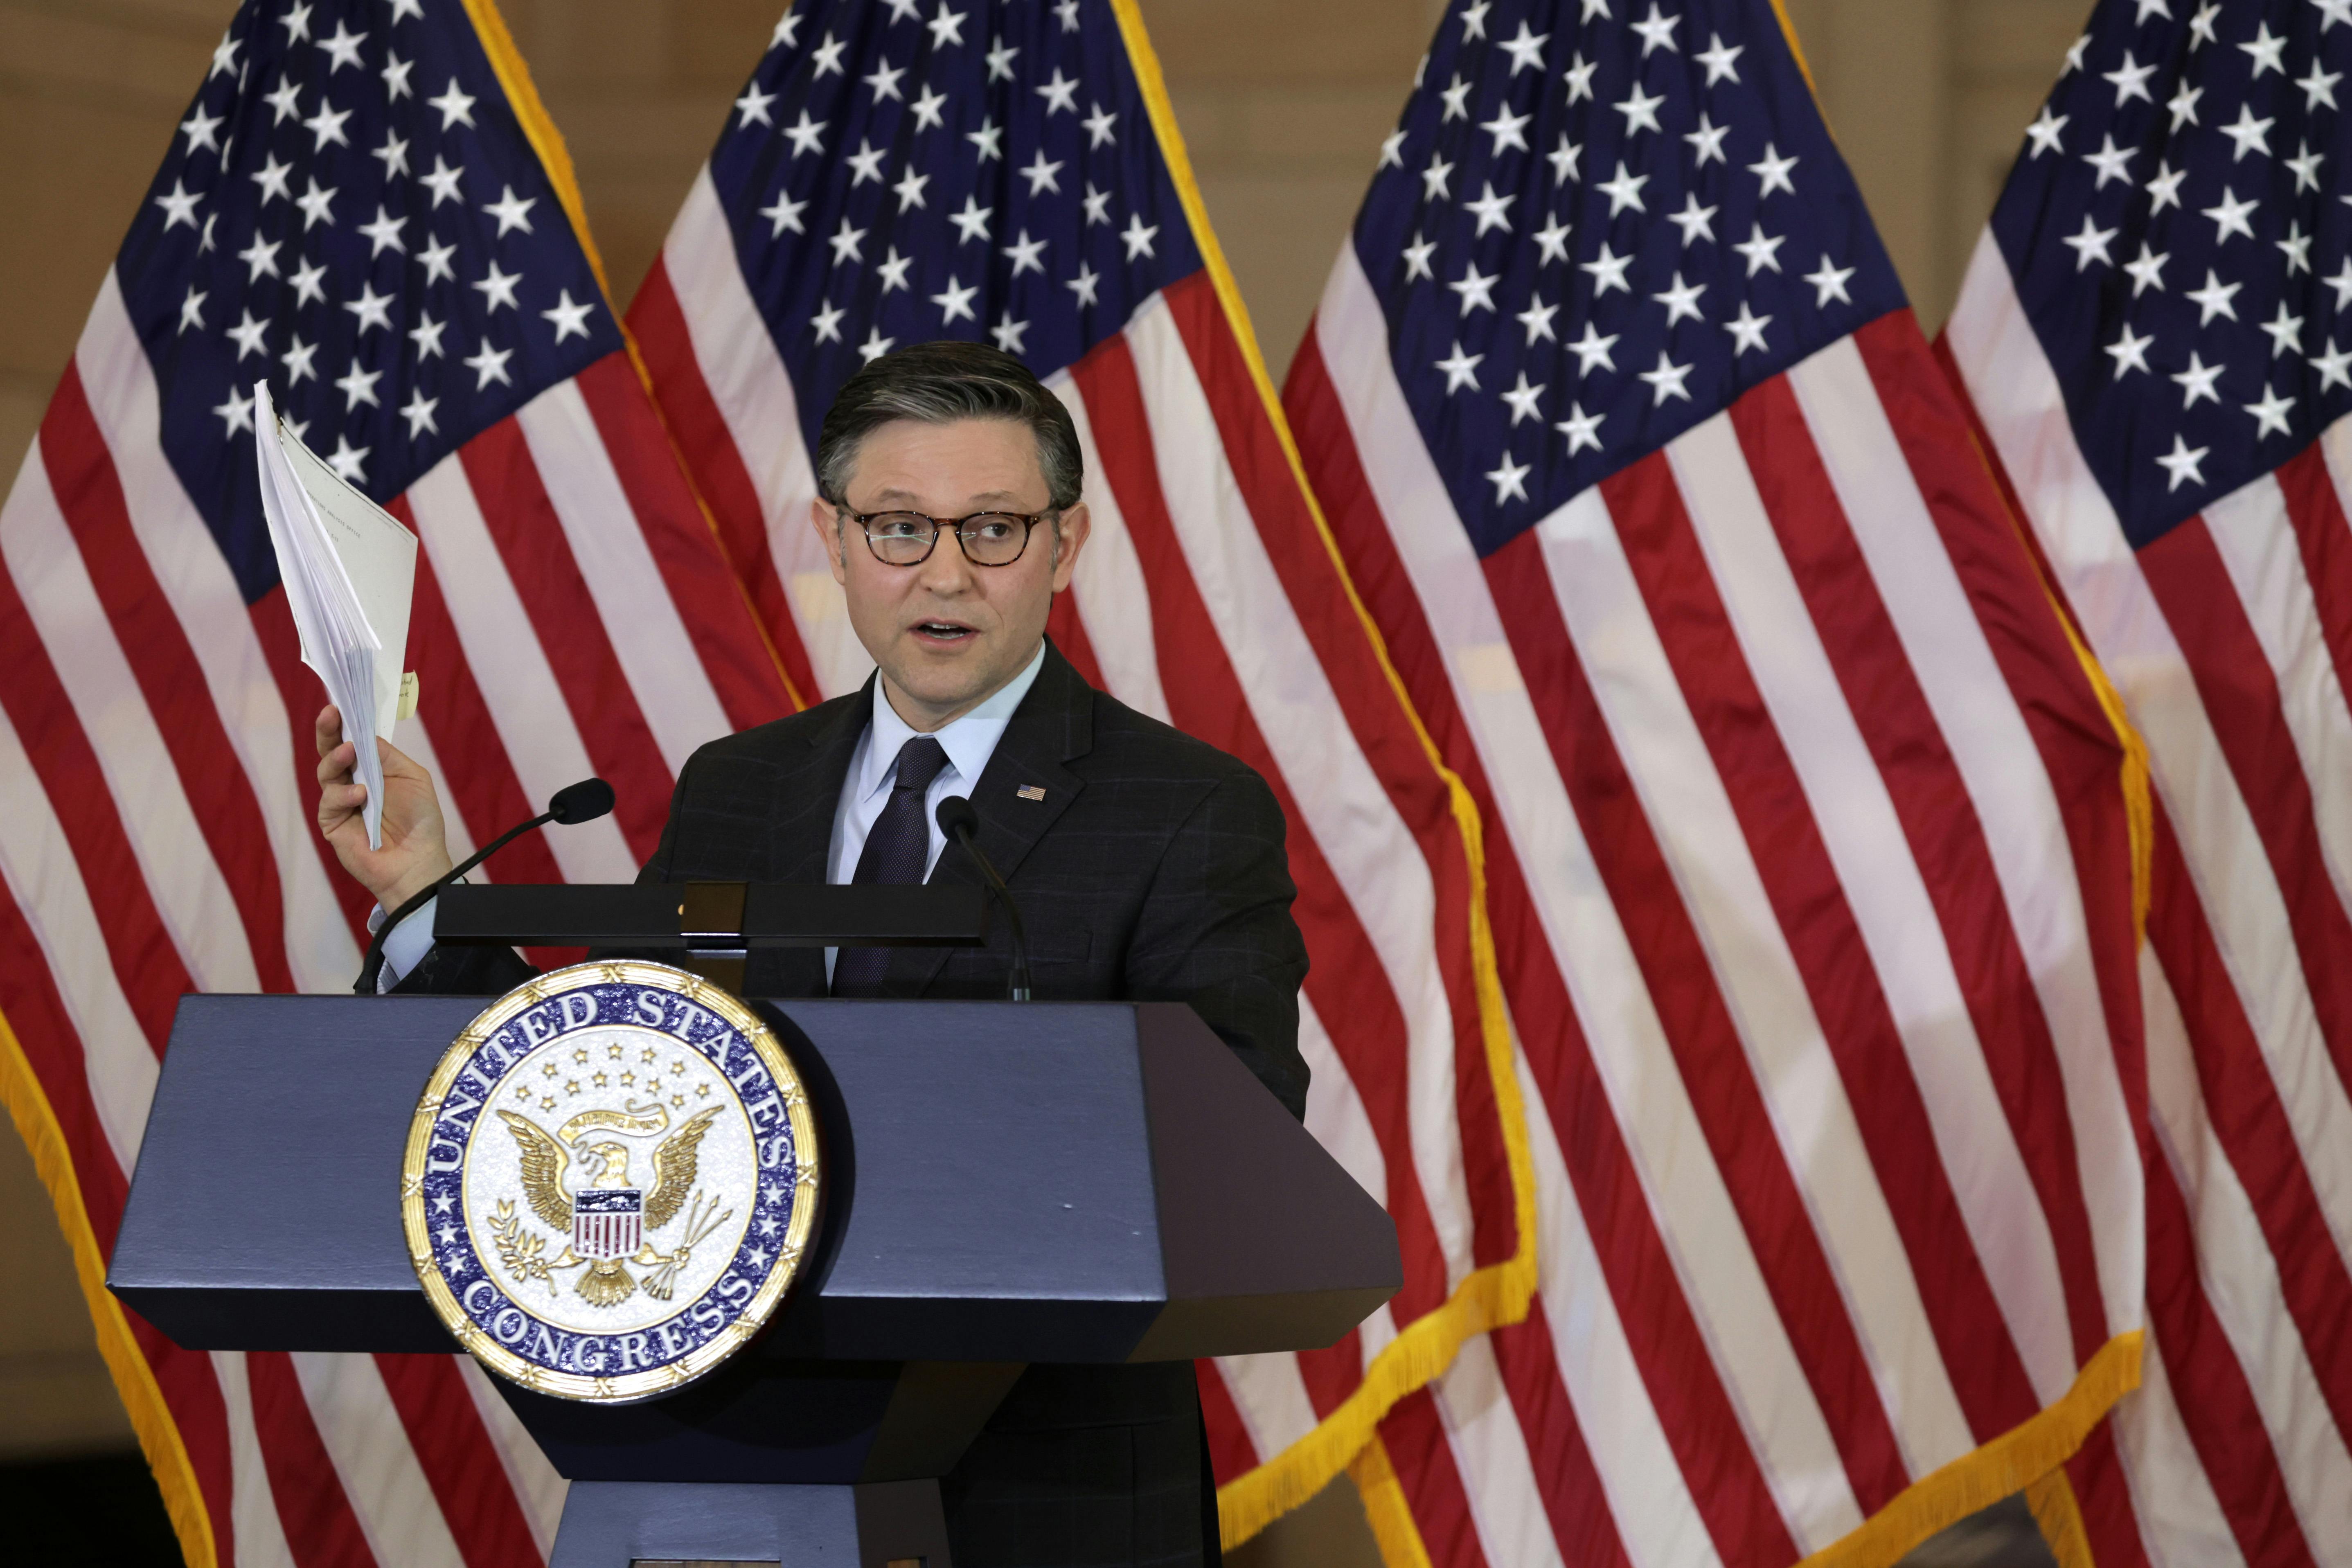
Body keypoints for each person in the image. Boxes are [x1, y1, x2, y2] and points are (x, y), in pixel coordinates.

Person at [313, 340, 1309, 1568]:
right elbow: (620, 1082)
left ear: (1067, 543)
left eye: (992, 528)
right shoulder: (741, 788)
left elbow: (1234, 1140)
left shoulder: (1183, 806)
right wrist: (421, 895)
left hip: (1048, 1498)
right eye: (898, 528)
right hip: (738, 1471)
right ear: (835, 541)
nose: (945, 570)